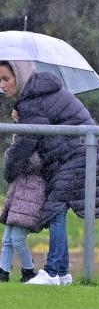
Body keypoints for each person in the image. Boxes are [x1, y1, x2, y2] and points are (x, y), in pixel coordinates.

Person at [0, 53, 99, 286]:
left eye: (6, 78)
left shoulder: (32, 101)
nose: (1, 85)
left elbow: (26, 144)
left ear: (19, 77)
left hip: (78, 155)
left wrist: (9, 171)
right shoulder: (34, 97)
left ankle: (52, 272)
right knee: (57, 211)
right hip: (78, 154)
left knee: (55, 210)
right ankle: (62, 273)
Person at [0, 110, 44, 283]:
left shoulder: (36, 138)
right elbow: (12, 160)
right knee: (7, 239)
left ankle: (28, 270)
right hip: (18, 193)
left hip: (31, 194)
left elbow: (33, 162)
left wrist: (17, 151)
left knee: (17, 239)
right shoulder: (21, 136)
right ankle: (3, 271)